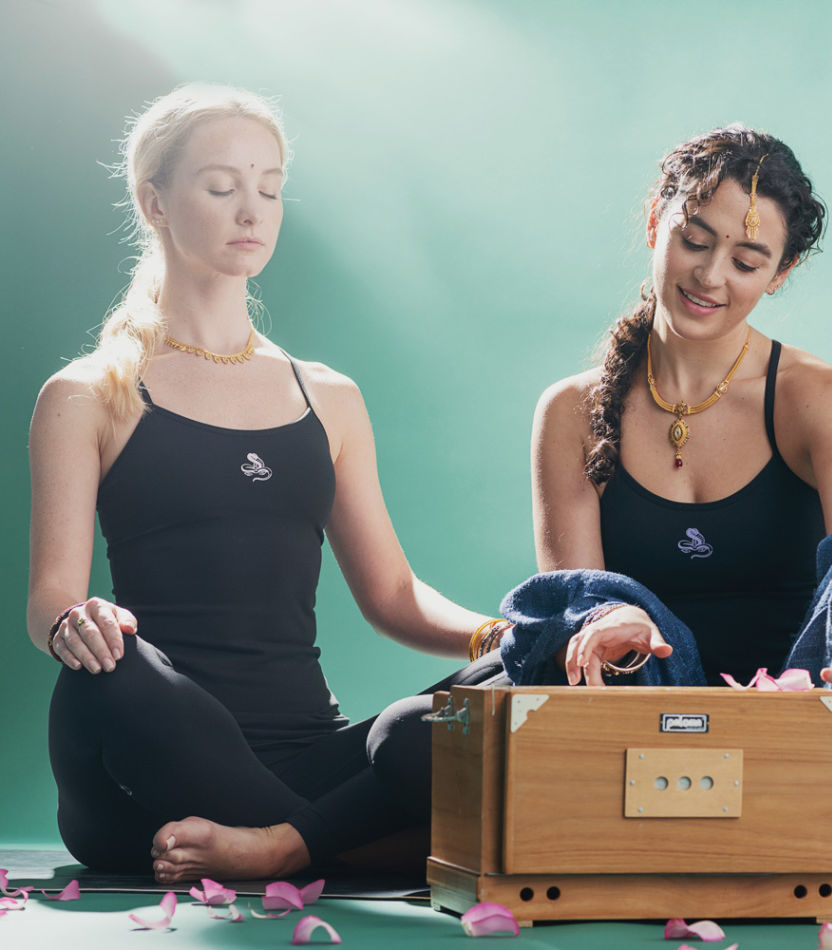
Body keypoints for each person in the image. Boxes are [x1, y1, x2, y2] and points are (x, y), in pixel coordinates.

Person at [26, 84, 510, 885]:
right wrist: (80, 622)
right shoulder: (86, 393)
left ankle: (285, 844)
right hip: (150, 757)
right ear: (154, 202)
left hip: (309, 756)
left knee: (524, 670)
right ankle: (362, 842)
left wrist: (500, 637)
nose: (252, 210)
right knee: (109, 671)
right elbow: (51, 599)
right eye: (222, 187)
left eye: (270, 188)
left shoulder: (329, 396)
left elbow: (392, 594)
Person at [524, 125, 832, 893]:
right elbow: (576, 598)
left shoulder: (816, 396)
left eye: (746, 261)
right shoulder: (570, 409)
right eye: (694, 241)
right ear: (655, 223)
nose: (710, 275)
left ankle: (689, 854)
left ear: (779, 275)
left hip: (798, 732)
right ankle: (753, 857)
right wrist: (607, 625)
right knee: (413, 736)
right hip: (639, 716)